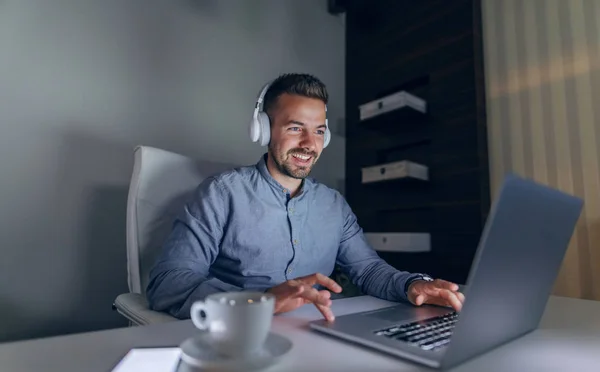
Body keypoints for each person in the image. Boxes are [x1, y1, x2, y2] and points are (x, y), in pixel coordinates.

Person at [146, 73, 465, 321]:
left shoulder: (334, 204)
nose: (310, 144)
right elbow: (169, 283)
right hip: (245, 337)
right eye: (296, 128)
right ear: (264, 129)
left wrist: (413, 285)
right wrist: (262, 301)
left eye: (319, 131)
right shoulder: (222, 193)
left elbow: (368, 270)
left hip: (321, 332)